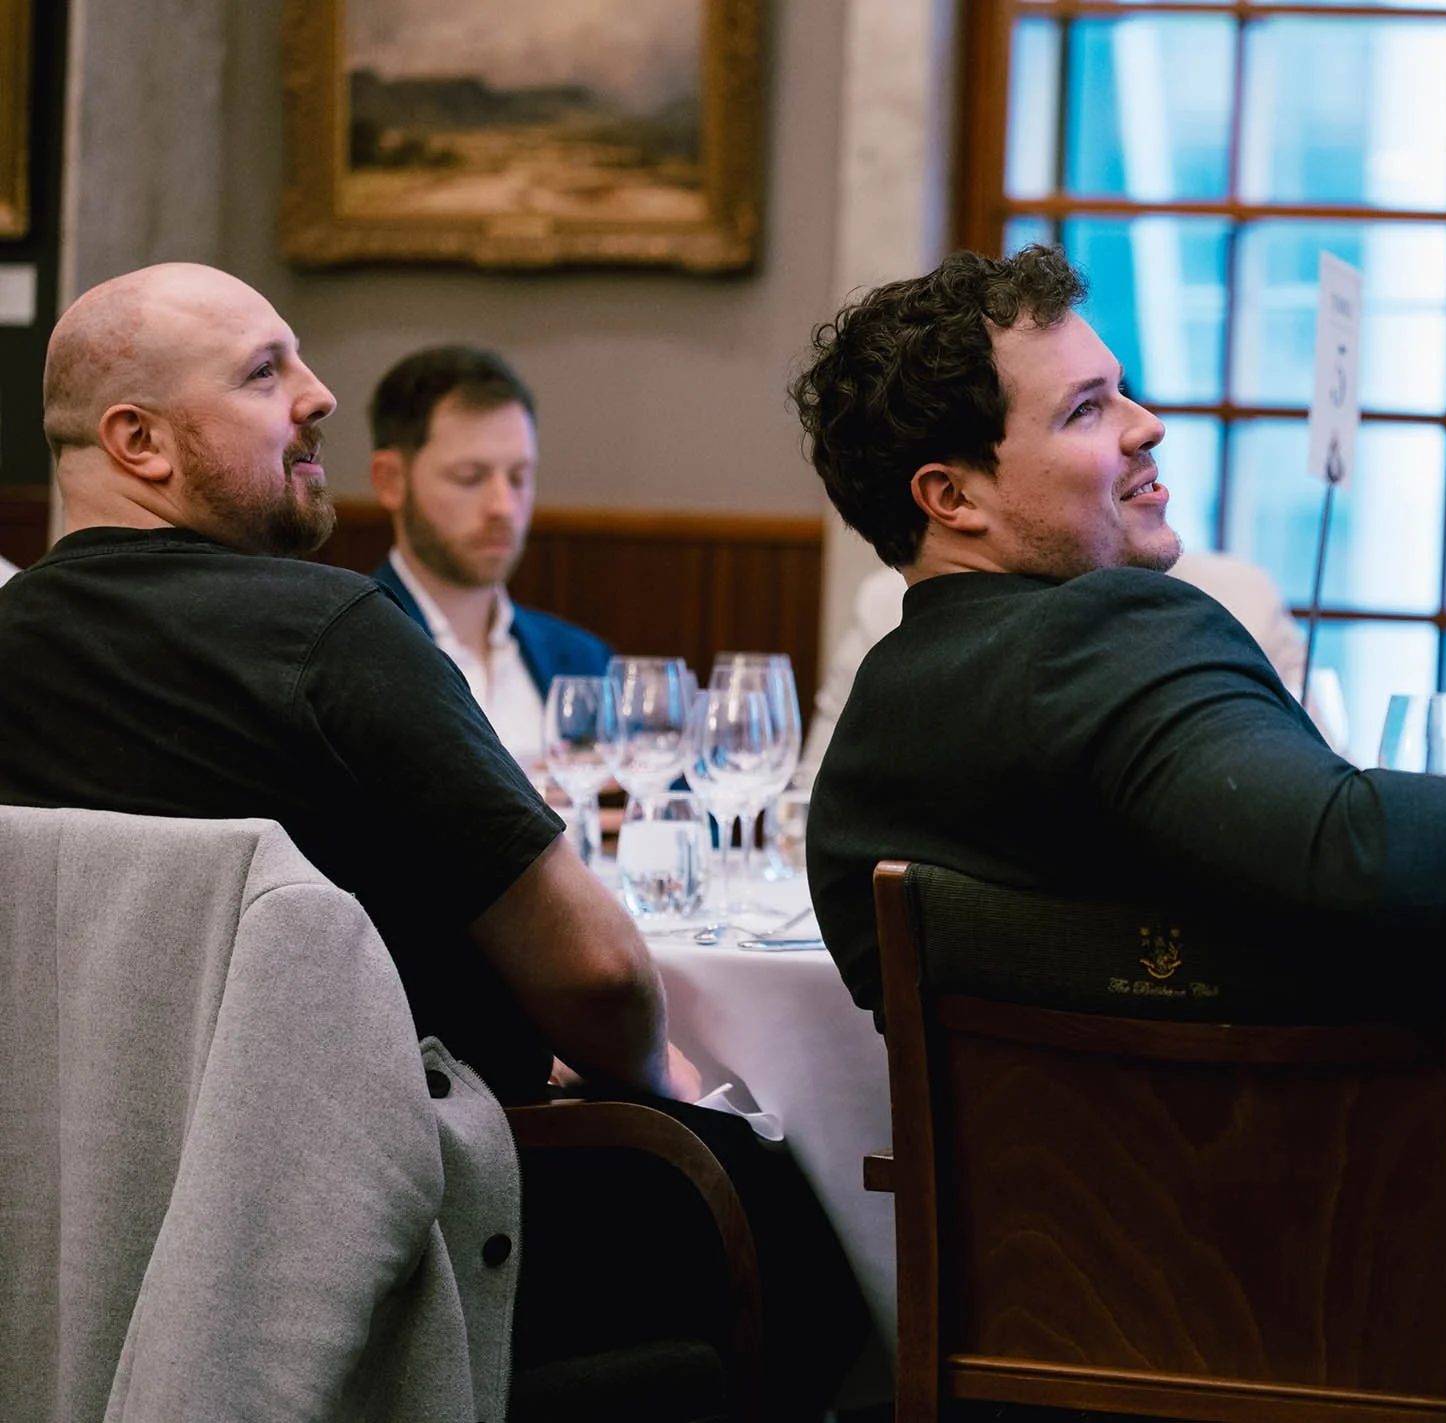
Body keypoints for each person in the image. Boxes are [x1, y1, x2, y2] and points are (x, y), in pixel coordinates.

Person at [790, 245, 1446, 1422]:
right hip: (1340, 1335)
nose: (1147, 426)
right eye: (1088, 409)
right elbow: (1349, 850)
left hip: (1056, 1344)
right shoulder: (1108, 636)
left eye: (1123, 388)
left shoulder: (876, 736)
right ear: (953, 496)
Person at [0, 262, 860, 1416]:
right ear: (140, 442)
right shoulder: (332, 637)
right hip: (379, 1221)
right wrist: (659, 1076)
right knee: (778, 1205)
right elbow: (598, 972)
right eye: (266, 373)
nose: (319, 396)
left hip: (65, 1214)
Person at [796, 549, 1307, 784]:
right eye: (1083, 413)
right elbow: (815, 791)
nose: (1145, 429)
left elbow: (1310, 775)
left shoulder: (1237, 598)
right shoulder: (896, 607)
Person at [367, 344, 610, 766]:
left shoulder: (583, 659)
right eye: (470, 477)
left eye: (519, 477)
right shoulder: (351, 654)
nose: (503, 506)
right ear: (391, 481)